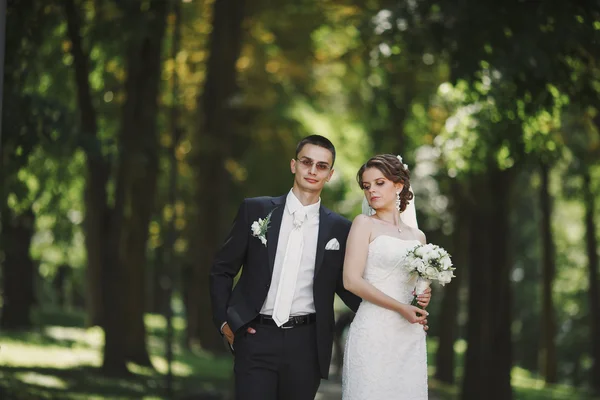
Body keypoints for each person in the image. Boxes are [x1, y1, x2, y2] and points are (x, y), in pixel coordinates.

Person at [210, 136, 431, 400]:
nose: (313, 170)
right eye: (307, 162)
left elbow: (348, 283)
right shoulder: (254, 210)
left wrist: (398, 315)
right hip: (256, 336)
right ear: (294, 165)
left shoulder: (340, 228)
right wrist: (226, 323)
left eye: (322, 166)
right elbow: (222, 269)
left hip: (307, 345)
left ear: (330, 174)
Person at [342, 154, 430, 400]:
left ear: (398, 185)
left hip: (409, 336)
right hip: (373, 332)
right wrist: (400, 307)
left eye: (379, 183)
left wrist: (422, 298)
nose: (372, 191)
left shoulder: (419, 237)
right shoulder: (363, 224)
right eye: (367, 186)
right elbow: (351, 280)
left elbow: (416, 287)